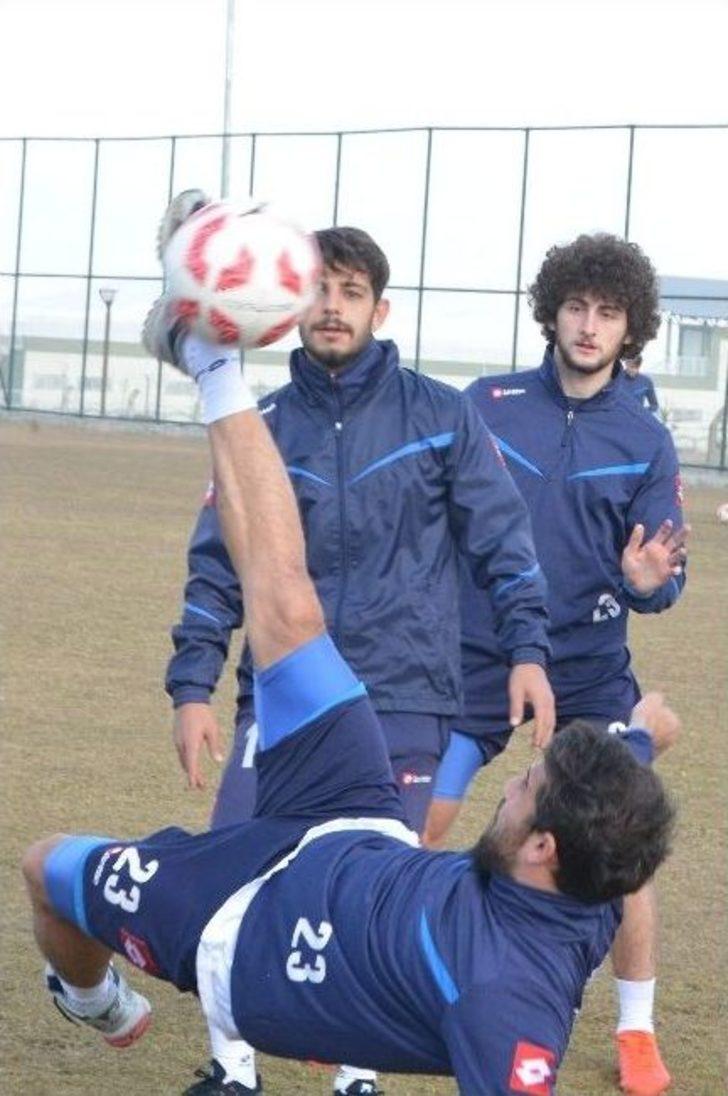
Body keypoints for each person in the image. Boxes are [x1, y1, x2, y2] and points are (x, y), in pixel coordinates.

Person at [23, 306, 679, 1096]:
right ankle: (212, 365)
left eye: (524, 791)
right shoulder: (594, 872)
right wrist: (640, 735)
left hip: (247, 931)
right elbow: (619, 797)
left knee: (46, 865)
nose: (510, 785)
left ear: (544, 849)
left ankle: (94, 1000)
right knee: (290, 605)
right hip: (354, 815)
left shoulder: (507, 1000)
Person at [166, 191, 554, 843]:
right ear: (291, 304)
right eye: (318, 290)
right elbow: (218, 567)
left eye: (351, 292)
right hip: (282, 691)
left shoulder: (441, 416)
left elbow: (504, 545)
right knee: (235, 870)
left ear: (379, 309)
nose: (333, 307)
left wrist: (529, 653)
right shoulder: (261, 429)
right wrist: (192, 688)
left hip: (404, 697)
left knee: (372, 891)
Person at [423, 233, 688, 1096]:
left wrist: (650, 583)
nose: (588, 325)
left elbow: (661, 574)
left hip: (585, 668)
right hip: (478, 656)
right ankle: (389, 972)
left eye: (608, 312)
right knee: (419, 823)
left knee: (620, 846)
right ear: (552, 311)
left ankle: (637, 1033)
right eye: (576, 306)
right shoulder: (486, 403)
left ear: (630, 327)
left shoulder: (647, 438)